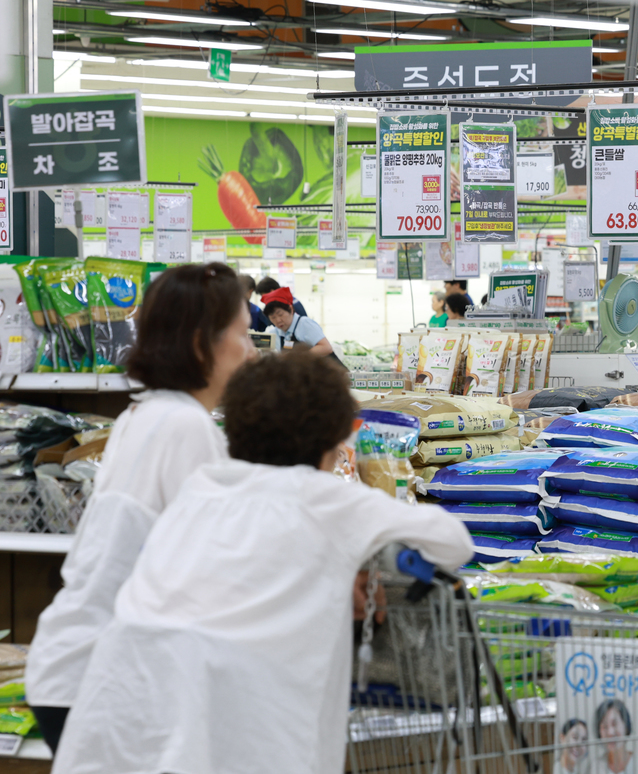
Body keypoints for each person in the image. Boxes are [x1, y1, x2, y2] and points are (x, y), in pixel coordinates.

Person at [50, 352, 476, 774]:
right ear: (340, 438)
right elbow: (453, 543)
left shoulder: (202, 485)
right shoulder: (329, 500)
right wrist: (372, 558)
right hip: (237, 729)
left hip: (120, 709)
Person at [26, 263, 253, 752]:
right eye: (244, 335)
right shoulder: (184, 427)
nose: (252, 353)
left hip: (73, 661)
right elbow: (210, 566)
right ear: (200, 344)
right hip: (98, 673)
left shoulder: (146, 414)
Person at [262, 287, 333, 357]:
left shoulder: (305, 324)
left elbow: (326, 348)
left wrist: (299, 357)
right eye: (273, 317)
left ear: (291, 309)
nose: (278, 320)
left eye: (280, 314)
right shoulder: (274, 333)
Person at [596, 699, 633, 774]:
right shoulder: (595, 767)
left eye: (614, 724)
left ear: (626, 726)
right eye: (605, 727)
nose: (610, 732)